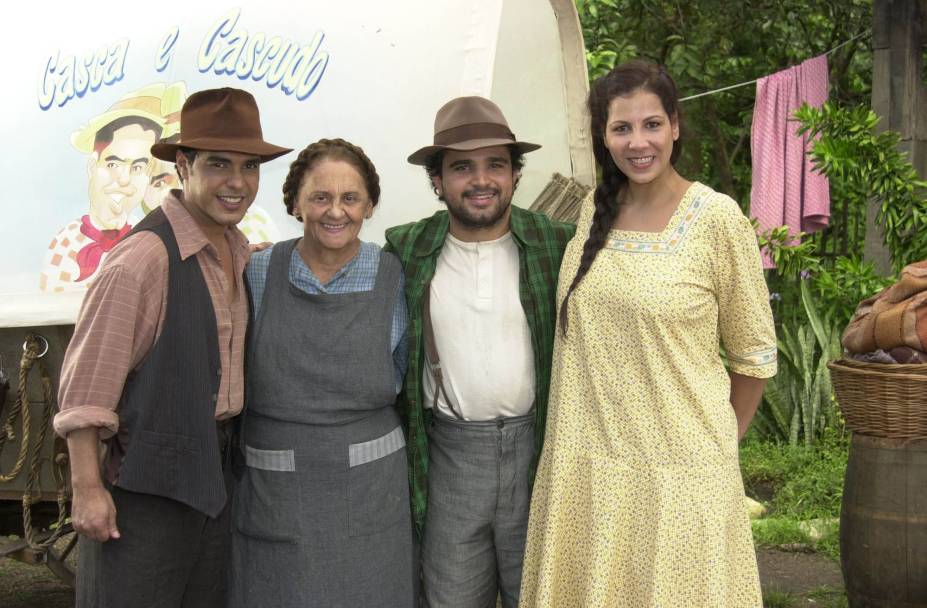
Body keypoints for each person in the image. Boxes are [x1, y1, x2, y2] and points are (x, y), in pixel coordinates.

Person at [519, 60, 777, 607]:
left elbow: (754, 356)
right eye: (622, 128)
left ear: (676, 126)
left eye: (651, 124)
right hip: (588, 470)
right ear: (603, 136)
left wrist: (715, 450)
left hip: (679, 478)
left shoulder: (717, 219)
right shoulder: (594, 209)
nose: (639, 142)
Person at [53, 87, 292, 608]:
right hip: (146, 489)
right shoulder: (142, 260)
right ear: (183, 165)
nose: (237, 182)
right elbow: (86, 390)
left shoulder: (236, 249)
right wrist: (88, 490)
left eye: (250, 167)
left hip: (213, 477)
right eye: (218, 165)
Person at [384, 96, 575, 608]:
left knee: (541, 597)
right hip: (450, 457)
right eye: (462, 167)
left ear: (515, 174)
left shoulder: (559, 244)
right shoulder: (405, 249)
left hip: (540, 453)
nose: (481, 179)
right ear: (438, 180)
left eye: (496, 164)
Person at [230, 138, 415, 607]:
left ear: (369, 205)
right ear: (295, 203)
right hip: (275, 482)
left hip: (372, 482)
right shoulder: (256, 271)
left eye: (350, 198)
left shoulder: (396, 276)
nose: (336, 211)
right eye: (320, 197)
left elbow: (408, 370)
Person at [41, 82, 186, 292]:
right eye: (113, 164)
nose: (124, 179)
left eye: (138, 167)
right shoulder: (67, 244)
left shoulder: (146, 235)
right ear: (92, 167)